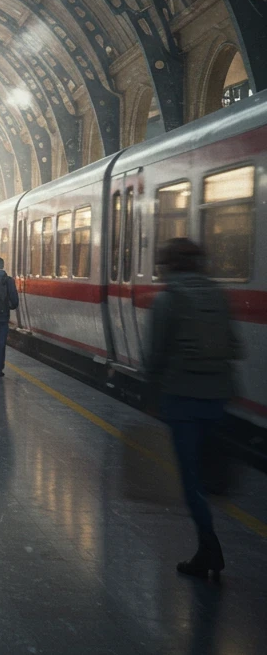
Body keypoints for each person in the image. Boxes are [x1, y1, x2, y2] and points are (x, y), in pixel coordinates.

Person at [144, 237, 242, 580]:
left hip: (181, 399)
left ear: (168, 265)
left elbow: (154, 356)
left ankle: (209, 548)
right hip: (217, 397)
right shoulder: (218, 295)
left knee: (190, 480)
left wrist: (151, 395)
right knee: (211, 471)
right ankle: (211, 542)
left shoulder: (167, 300)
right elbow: (235, 346)